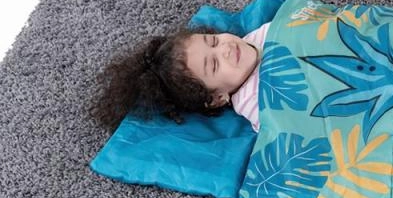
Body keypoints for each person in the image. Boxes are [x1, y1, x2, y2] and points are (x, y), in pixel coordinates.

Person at [89, 24, 266, 131]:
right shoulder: (252, 100)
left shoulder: (255, 37)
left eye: (214, 41)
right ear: (217, 98)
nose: (225, 48)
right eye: (214, 64)